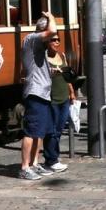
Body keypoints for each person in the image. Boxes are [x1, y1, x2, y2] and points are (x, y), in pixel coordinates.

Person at [19, 12, 58, 181]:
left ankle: (34, 164)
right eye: (50, 38)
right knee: (31, 131)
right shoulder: (32, 39)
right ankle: (24, 167)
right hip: (35, 92)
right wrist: (52, 17)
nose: (52, 41)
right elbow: (52, 31)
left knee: (39, 132)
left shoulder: (40, 47)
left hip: (43, 93)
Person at [40, 32, 73, 174]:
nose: (56, 42)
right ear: (47, 43)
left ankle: (53, 158)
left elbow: (67, 77)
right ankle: (51, 160)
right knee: (52, 131)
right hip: (52, 99)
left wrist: (72, 92)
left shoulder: (62, 56)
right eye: (53, 40)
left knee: (58, 130)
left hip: (64, 98)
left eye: (58, 40)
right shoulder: (43, 59)